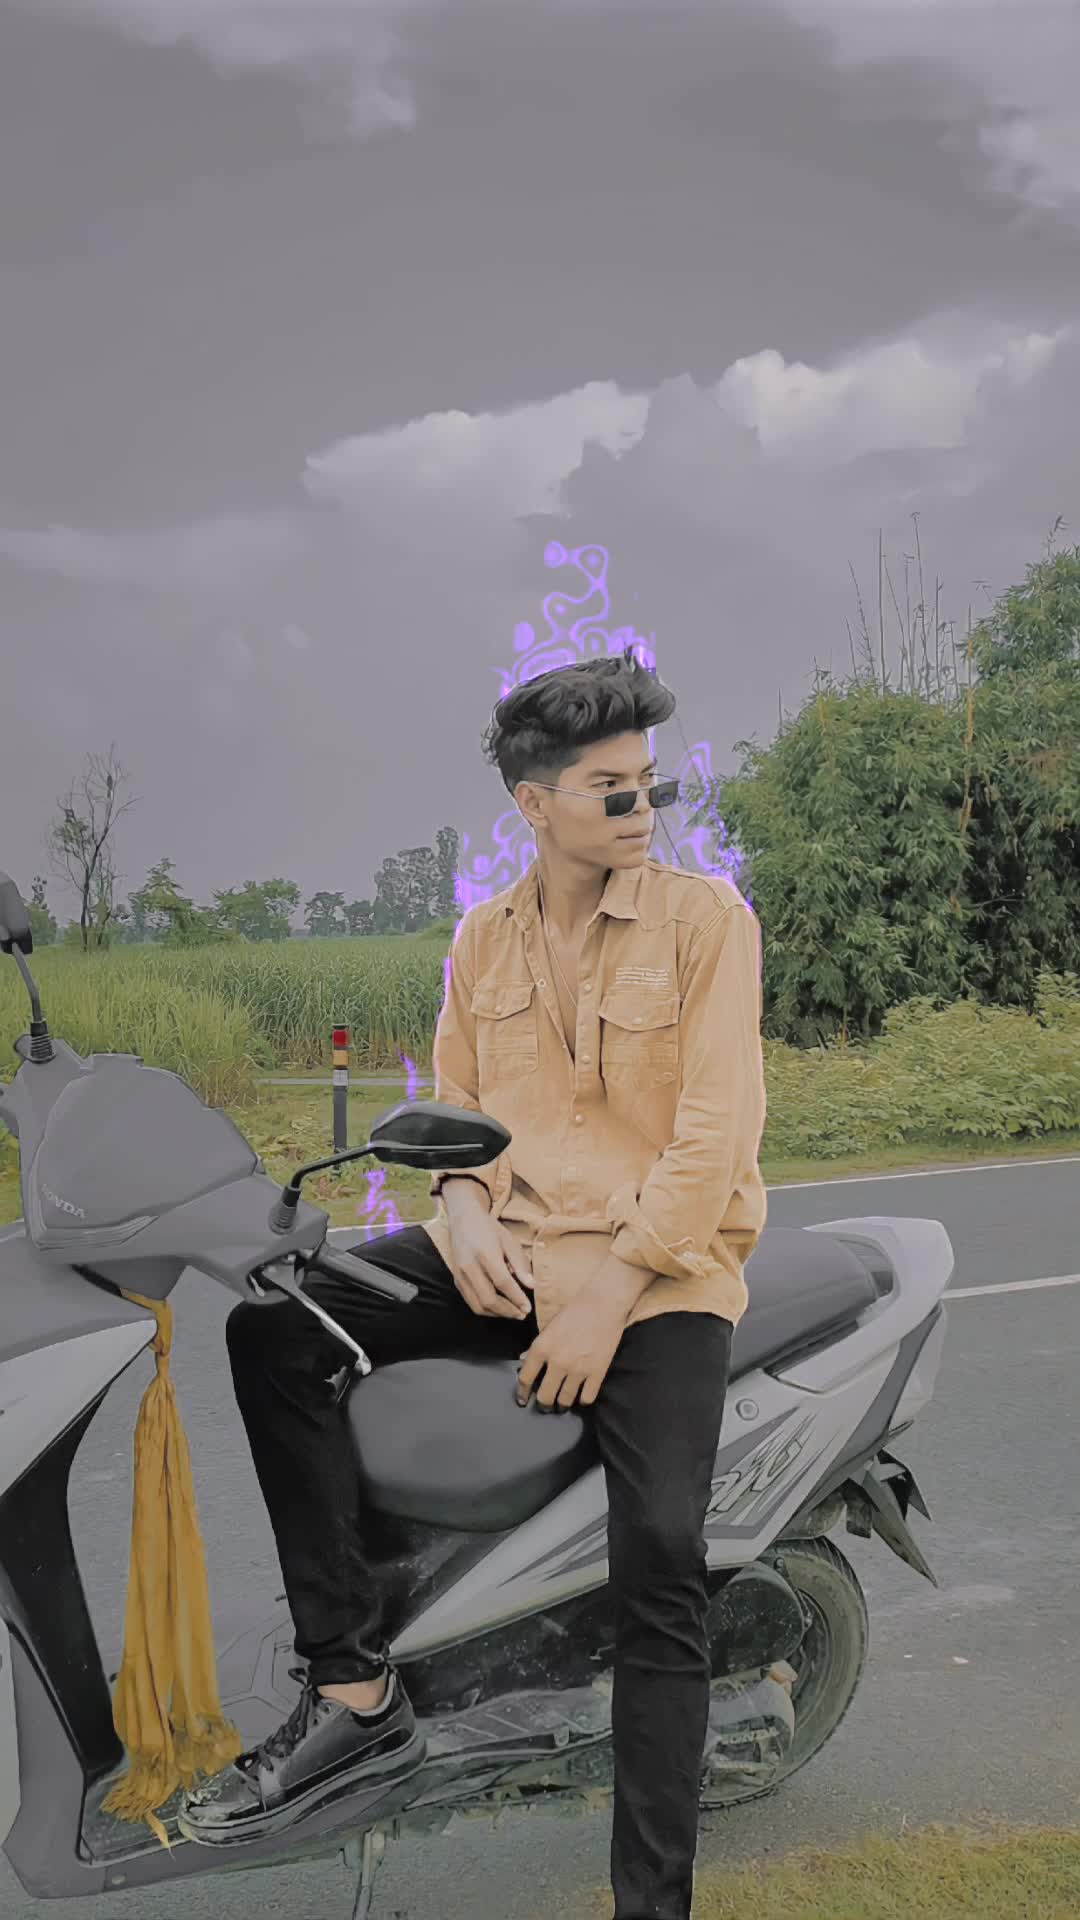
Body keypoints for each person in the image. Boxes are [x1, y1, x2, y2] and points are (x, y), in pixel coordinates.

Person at [181, 649, 768, 1920]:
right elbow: (455, 1109)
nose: (643, 807)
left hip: (659, 1272)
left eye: (651, 782)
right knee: (276, 1326)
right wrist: (459, 1206)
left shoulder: (707, 923)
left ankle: (652, 1903)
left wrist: (607, 1299)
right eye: (612, 789)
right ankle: (353, 1689)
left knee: (662, 1558)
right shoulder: (483, 942)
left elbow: (713, 1146)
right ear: (534, 803)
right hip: (507, 1249)